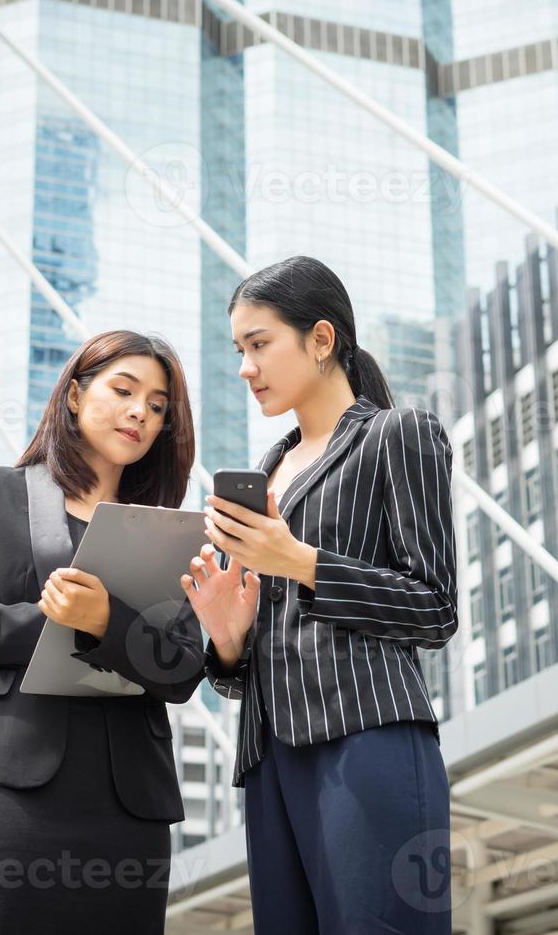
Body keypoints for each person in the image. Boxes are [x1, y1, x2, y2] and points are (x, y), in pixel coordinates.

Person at [180, 255, 459, 933]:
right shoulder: (265, 473)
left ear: (322, 339)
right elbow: (240, 673)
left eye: (259, 344)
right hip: (269, 759)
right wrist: (225, 635)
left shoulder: (399, 435)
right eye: (238, 350)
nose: (245, 367)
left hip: (368, 738)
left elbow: (434, 607)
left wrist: (300, 561)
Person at [0, 330, 205, 934]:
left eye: (157, 407)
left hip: (129, 797)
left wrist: (106, 622)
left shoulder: (165, 534)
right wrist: (51, 620)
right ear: (74, 395)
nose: (139, 414)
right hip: (6, 777)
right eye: (123, 391)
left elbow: (181, 672)